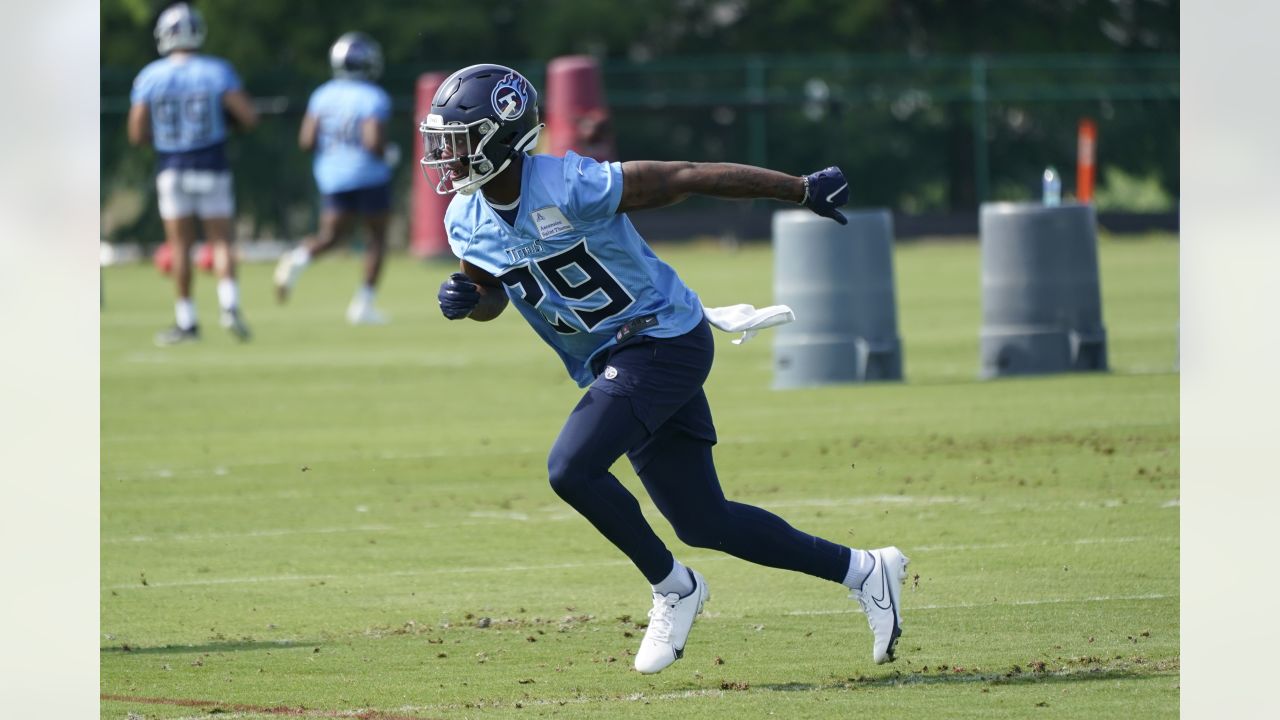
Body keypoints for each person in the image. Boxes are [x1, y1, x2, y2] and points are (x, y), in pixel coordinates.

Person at [424, 64, 908, 675]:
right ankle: (865, 570)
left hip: (662, 339)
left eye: (457, 140)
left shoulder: (571, 183)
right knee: (703, 520)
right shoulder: (463, 219)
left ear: (500, 136)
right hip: (616, 356)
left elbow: (685, 177)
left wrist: (798, 187)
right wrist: (470, 303)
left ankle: (674, 587)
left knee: (571, 468)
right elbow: (493, 292)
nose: (444, 156)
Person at [128, 2, 258, 345]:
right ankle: (229, 306)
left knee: (180, 246)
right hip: (211, 162)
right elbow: (247, 116)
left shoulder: (150, 75)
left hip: (171, 166)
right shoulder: (217, 71)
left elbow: (137, 133)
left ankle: (187, 321)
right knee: (222, 241)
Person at [274, 32, 395, 325]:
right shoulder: (372, 96)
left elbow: (306, 140)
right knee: (376, 238)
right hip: (369, 174)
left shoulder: (322, 95)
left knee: (331, 237)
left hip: (332, 175)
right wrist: (388, 153)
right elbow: (372, 140)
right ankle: (363, 304)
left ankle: (299, 257)